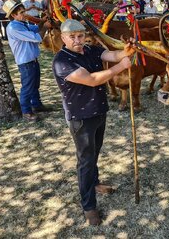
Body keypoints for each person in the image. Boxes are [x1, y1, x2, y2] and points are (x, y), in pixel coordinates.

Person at [52, 19, 135, 226]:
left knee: (95, 152)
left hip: (99, 112)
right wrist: (120, 67)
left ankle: (95, 183)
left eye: (80, 36)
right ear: (63, 38)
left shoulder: (91, 49)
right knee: (86, 161)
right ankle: (89, 206)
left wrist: (126, 51)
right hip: (81, 118)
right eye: (72, 37)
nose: (78, 40)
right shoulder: (62, 61)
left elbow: (112, 55)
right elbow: (92, 79)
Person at [3, 0, 52, 122]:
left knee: (35, 85)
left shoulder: (21, 23)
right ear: (13, 15)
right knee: (27, 87)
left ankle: (37, 105)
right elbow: (37, 38)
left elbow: (35, 28)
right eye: (21, 12)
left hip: (32, 60)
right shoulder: (14, 28)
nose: (24, 14)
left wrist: (42, 21)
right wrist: (45, 26)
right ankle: (26, 112)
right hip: (26, 63)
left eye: (24, 11)